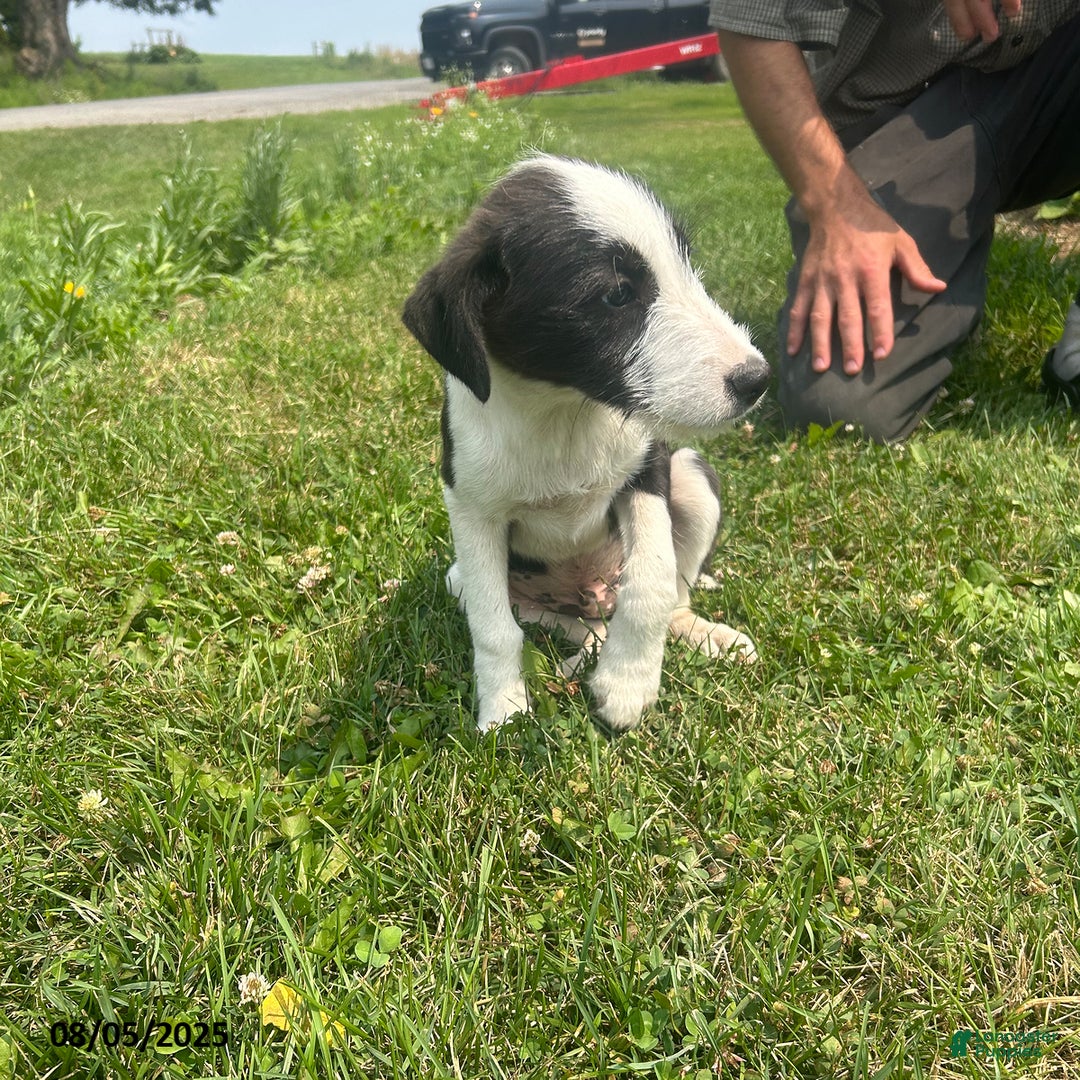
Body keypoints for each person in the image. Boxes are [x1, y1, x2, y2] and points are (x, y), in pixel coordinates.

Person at [709, 0, 1080, 441]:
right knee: (841, 404)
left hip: (1061, 70)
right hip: (906, 104)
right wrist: (837, 206)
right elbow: (752, 20)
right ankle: (947, 259)